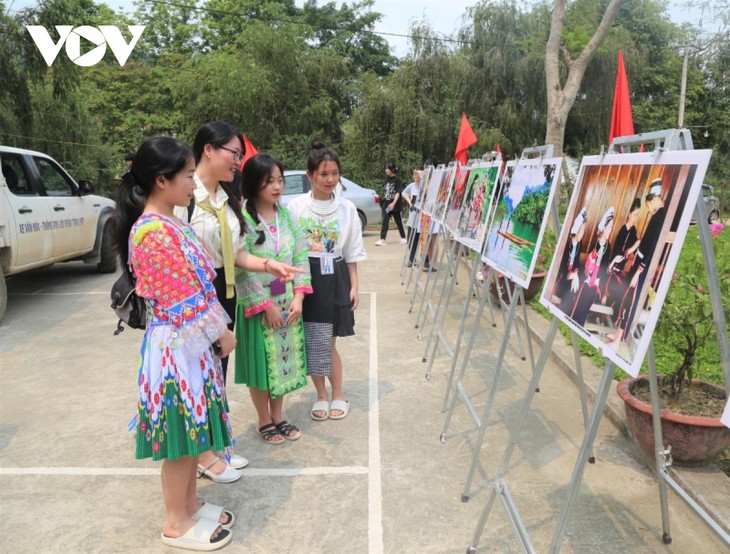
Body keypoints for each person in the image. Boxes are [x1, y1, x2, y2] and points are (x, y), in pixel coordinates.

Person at [111, 136, 236, 550]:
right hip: (177, 348)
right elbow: (183, 302)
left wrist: (215, 328)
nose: (192, 184)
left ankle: (190, 505)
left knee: (193, 432)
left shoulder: (170, 224)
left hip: (190, 345)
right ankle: (175, 523)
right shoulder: (152, 233)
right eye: (186, 176)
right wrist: (221, 331)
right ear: (161, 181)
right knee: (181, 439)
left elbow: (198, 291)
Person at [174, 121, 301, 482]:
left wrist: (268, 265)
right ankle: (199, 455)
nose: (238, 161)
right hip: (194, 293)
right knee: (194, 376)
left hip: (223, 291)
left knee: (217, 375)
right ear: (209, 150)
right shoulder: (185, 196)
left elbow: (236, 253)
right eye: (234, 153)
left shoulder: (227, 198)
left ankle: (212, 449)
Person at [234, 153, 312, 444]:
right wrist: (265, 306)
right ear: (255, 184)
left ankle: (278, 415)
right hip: (257, 304)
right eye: (270, 181)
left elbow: (301, 256)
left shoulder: (289, 216)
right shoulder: (241, 218)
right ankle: (263, 419)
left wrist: (299, 298)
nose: (277, 186)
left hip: (287, 301)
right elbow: (238, 266)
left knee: (285, 360)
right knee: (260, 365)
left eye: (280, 180)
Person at [287, 142, 367, 421]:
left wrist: (354, 286)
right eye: (323, 174)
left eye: (335, 173)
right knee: (311, 339)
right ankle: (320, 395)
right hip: (305, 276)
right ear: (310, 175)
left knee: (328, 341)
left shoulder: (347, 208)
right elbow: (291, 248)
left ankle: (339, 394)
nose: (330, 179)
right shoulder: (295, 206)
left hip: (335, 275)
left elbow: (352, 251)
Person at [607, 179, 666, 349]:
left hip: (641, 268)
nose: (648, 209)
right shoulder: (657, 215)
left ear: (654, 199)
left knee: (631, 303)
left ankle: (620, 339)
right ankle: (618, 332)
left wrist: (639, 271)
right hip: (636, 265)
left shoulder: (660, 216)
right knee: (626, 299)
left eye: (648, 205)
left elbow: (652, 246)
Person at [570, 207, 615, 326]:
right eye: (609, 227)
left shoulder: (608, 246)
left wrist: (611, 265)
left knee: (587, 304)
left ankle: (580, 324)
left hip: (597, 283)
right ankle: (573, 322)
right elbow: (591, 265)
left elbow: (604, 268)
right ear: (604, 227)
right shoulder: (598, 243)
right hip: (588, 280)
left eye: (611, 227)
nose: (610, 230)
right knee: (582, 302)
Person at [601, 198, 641, 325]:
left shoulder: (634, 232)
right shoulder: (623, 229)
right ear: (629, 214)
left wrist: (637, 246)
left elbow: (637, 246)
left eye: (637, 215)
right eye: (634, 214)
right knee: (614, 288)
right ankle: (604, 317)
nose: (635, 218)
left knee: (624, 290)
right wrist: (632, 248)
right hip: (612, 269)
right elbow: (618, 254)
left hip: (621, 272)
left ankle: (614, 320)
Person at [550, 207, 587, 314]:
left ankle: (565, 306)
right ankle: (560, 302)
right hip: (562, 275)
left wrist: (575, 273)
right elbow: (560, 265)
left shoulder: (579, 245)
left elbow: (576, 264)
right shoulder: (567, 244)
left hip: (570, 274)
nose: (583, 233)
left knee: (578, 279)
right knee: (569, 282)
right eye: (582, 230)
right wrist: (569, 274)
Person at [374, 162, 406, 246]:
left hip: (395, 205)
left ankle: (403, 237)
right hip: (387, 204)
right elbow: (386, 192)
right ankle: (382, 239)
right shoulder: (386, 179)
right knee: (385, 221)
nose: (386, 170)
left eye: (387, 169)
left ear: (392, 169)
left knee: (398, 221)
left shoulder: (397, 180)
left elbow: (398, 193)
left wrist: (393, 203)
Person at [402, 168, 423, 267]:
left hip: (422, 219)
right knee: (411, 239)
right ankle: (411, 259)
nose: (416, 177)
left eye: (418, 175)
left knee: (421, 240)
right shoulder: (412, 186)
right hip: (412, 218)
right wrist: (410, 202)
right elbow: (404, 193)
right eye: (415, 175)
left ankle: (425, 260)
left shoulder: (425, 186)